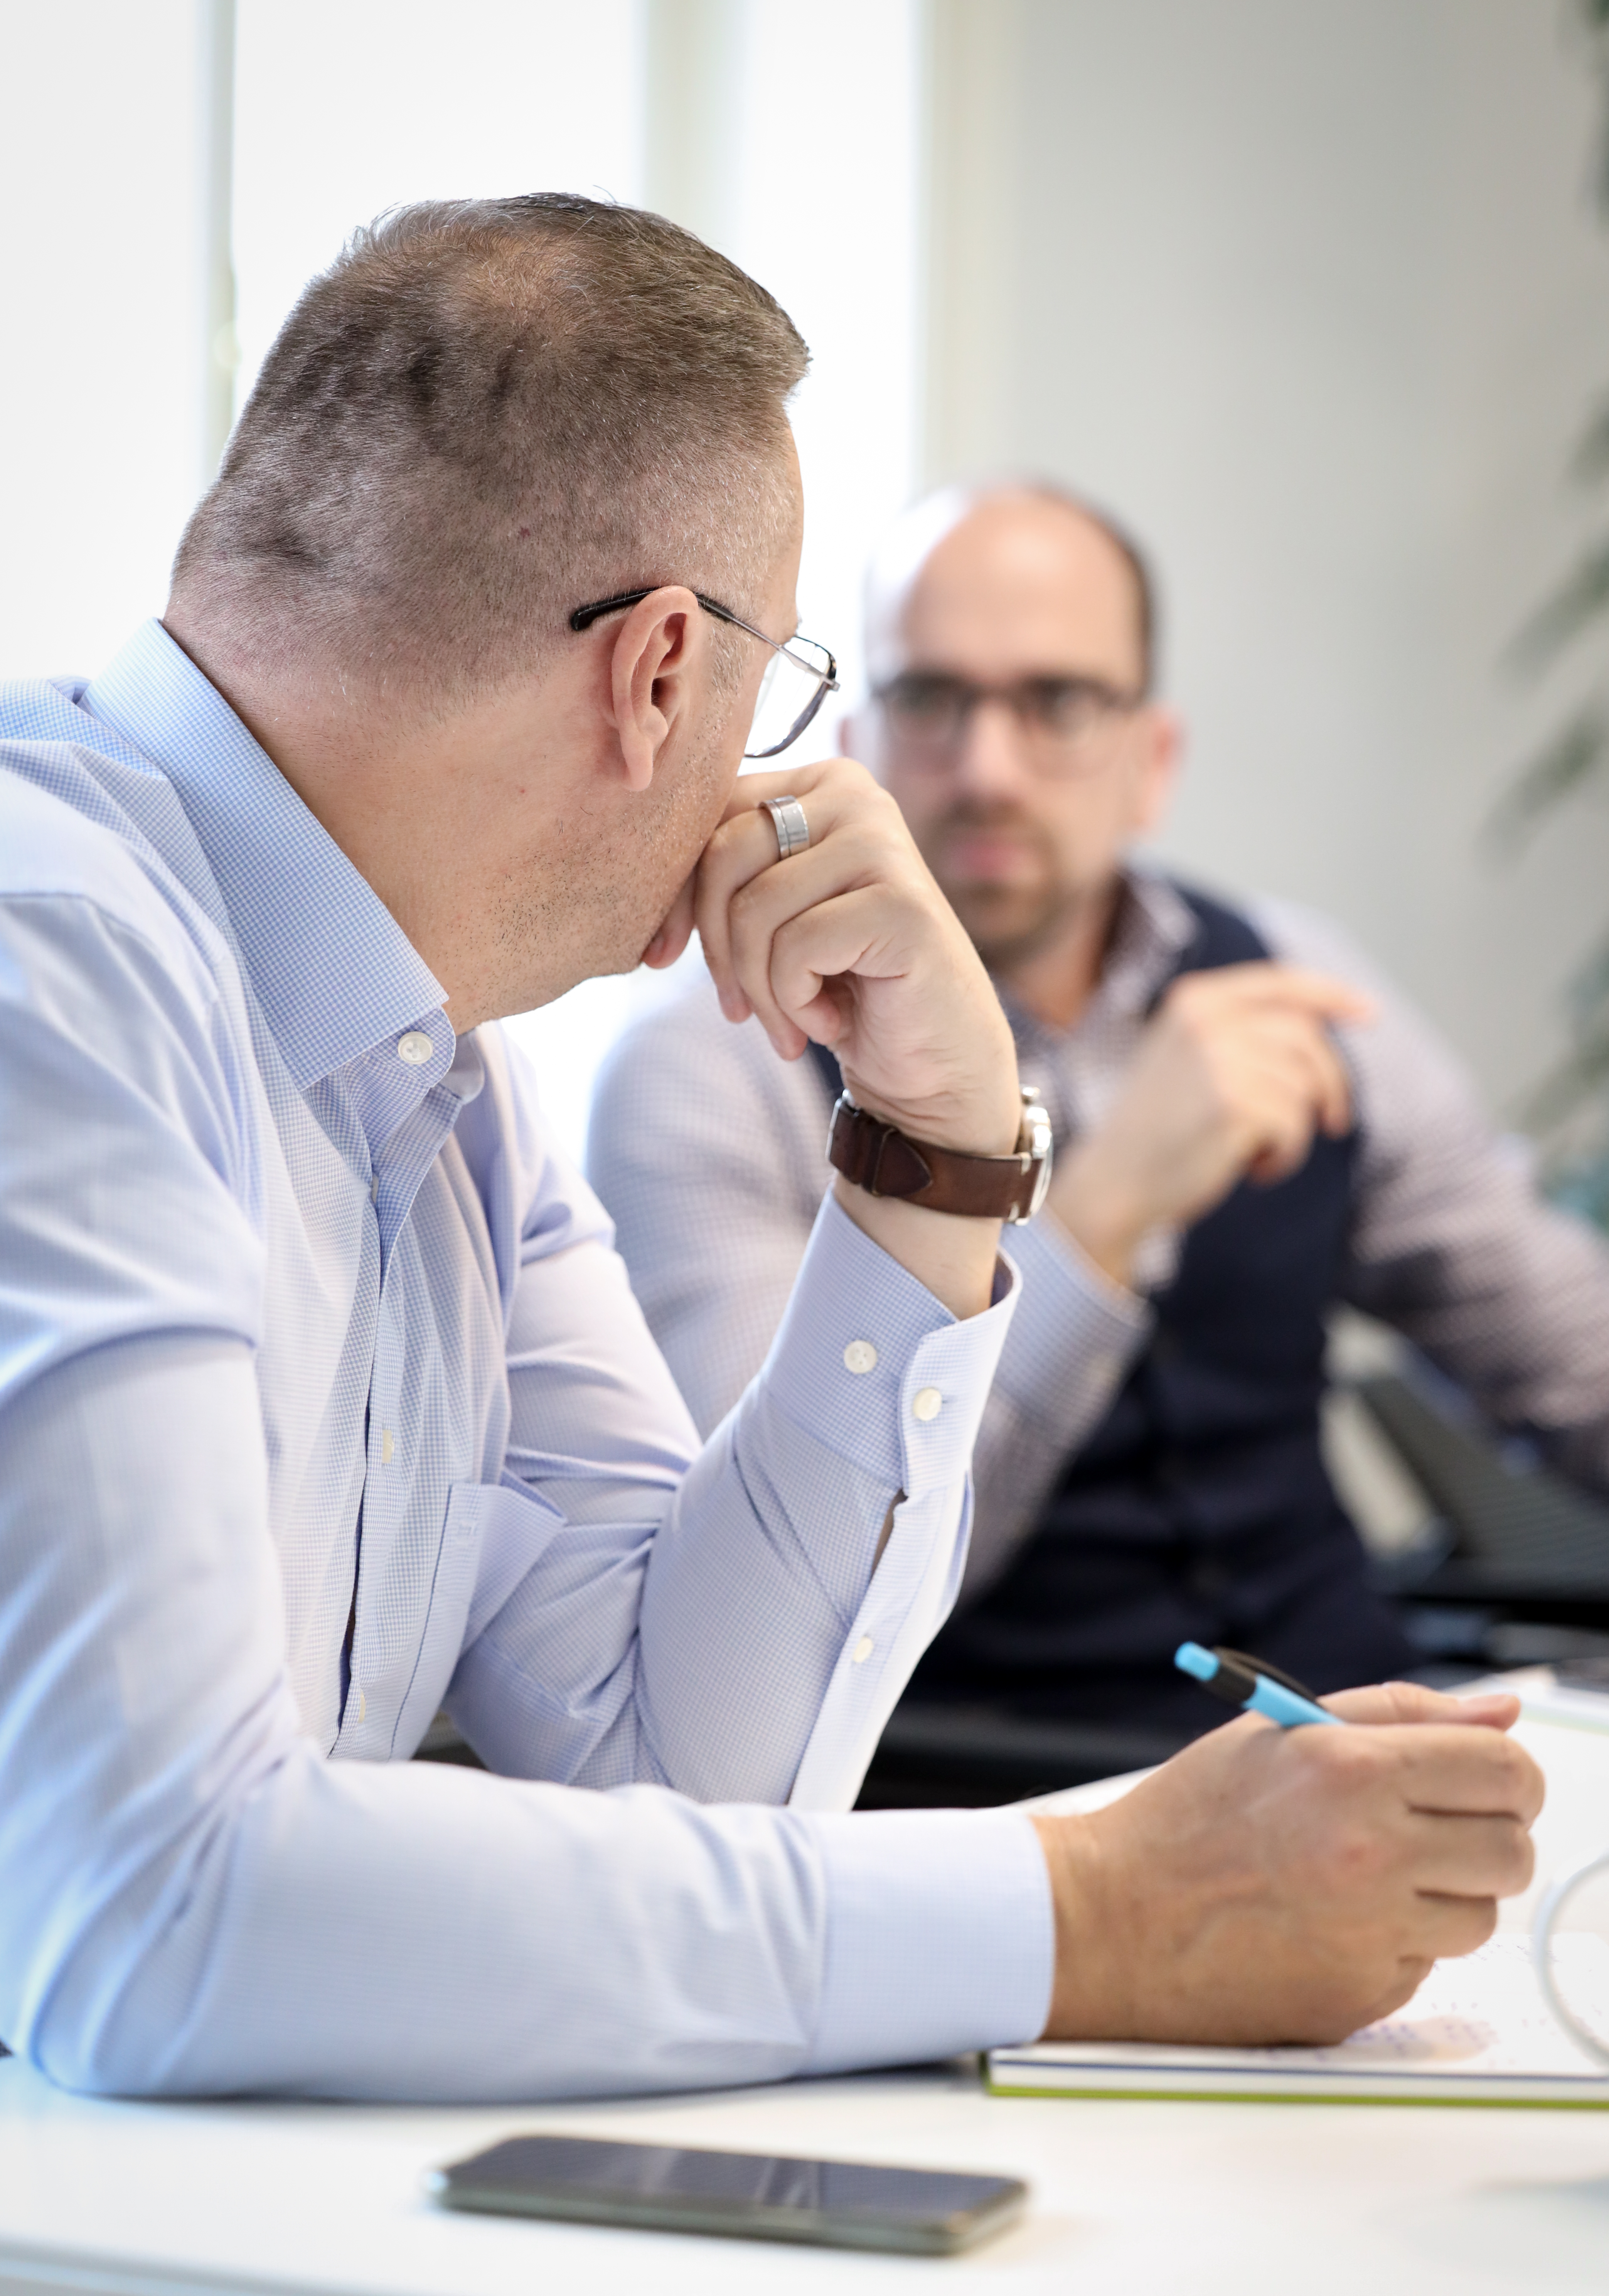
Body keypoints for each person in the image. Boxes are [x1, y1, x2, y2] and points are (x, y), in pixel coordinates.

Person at [0, 201, 1540, 2104]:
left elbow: (681, 1766)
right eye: (788, 685)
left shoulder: (446, 1088)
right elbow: (155, 1905)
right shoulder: (46, 955)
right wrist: (1099, 1914)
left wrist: (941, 1155)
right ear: (662, 672)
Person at [591, 480, 1609, 1757]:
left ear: (1152, 762)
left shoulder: (1294, 981)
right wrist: (1108, 1208)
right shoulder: (716, 1061)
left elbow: (1570, 1358)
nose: (988, 768)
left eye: (1059, 703)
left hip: (1352, 1741)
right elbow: (785, 1596)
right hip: (992, 1806)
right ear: (854, 737)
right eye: (932, 700)